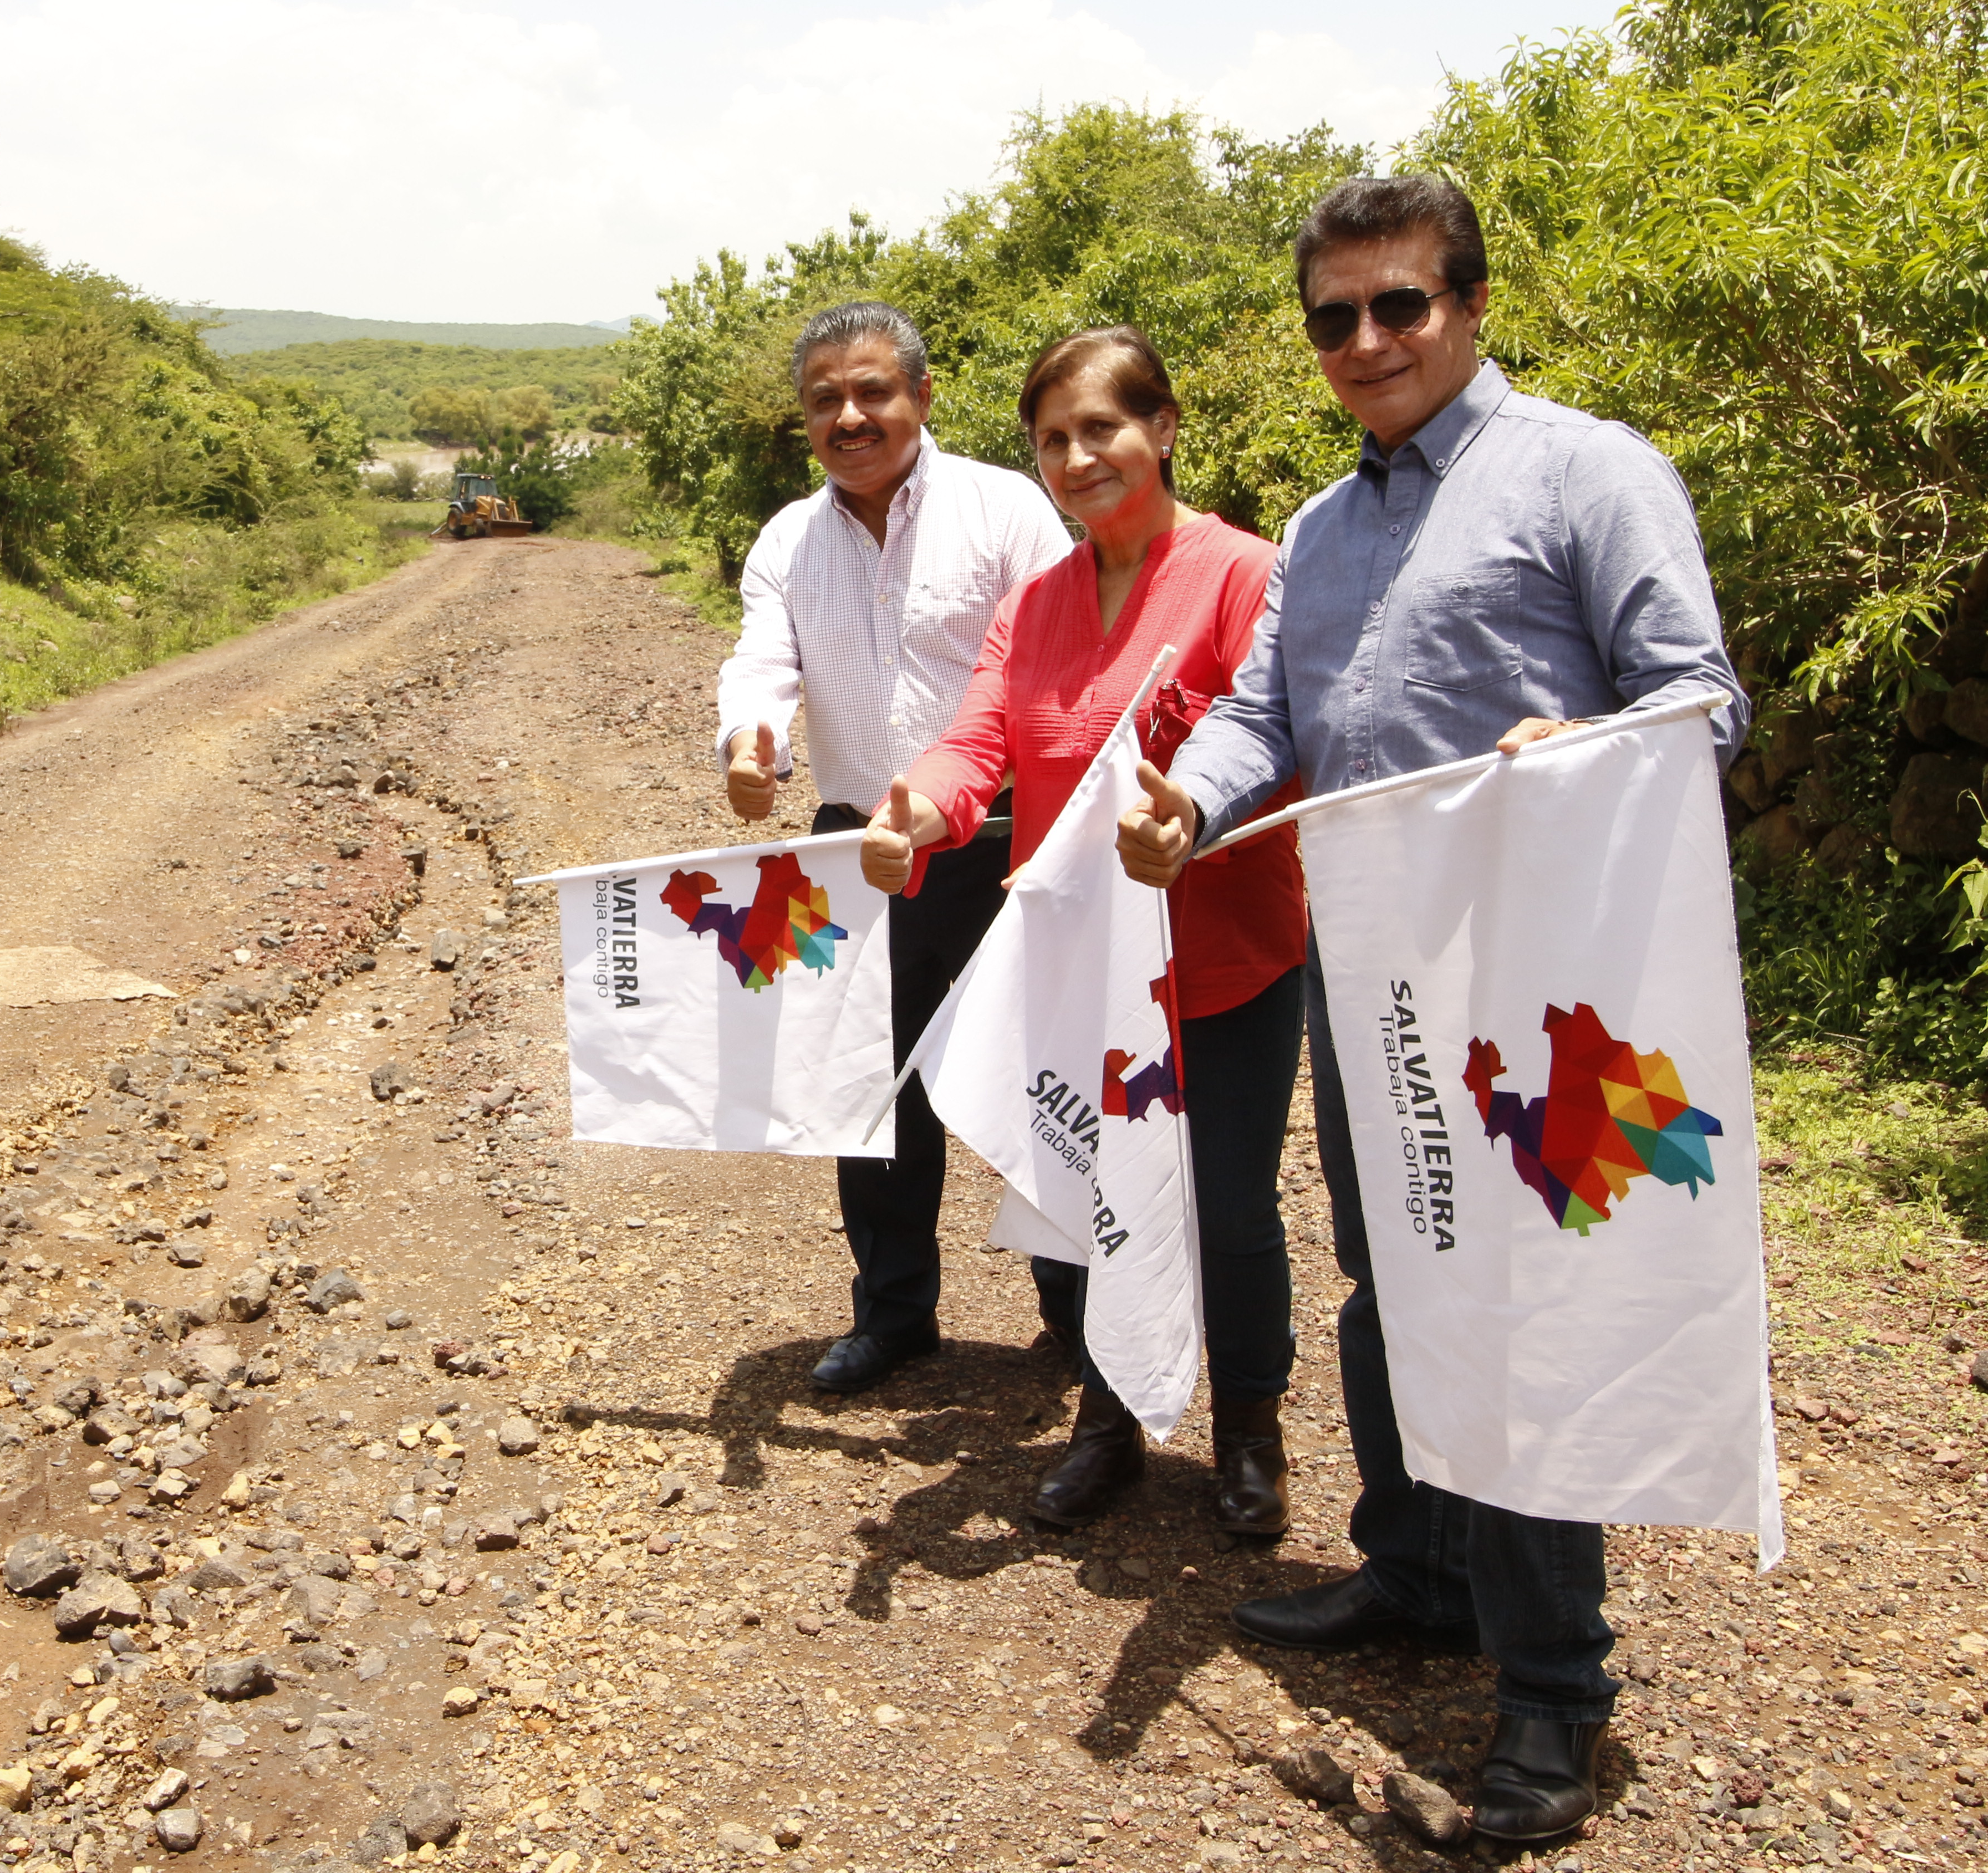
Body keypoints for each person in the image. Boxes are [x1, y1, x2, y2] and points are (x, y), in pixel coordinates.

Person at [1117, 175, 1749, 1843]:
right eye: (1335, 316)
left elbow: (1699, 699)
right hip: (1379, 965)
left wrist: (1585, 750)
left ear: (1468, 304)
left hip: (1547, 989)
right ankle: (1417, 1573)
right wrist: (1191, 800)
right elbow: (1265, 716)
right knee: (1389, 1269)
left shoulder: (1589, 472)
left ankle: (1554, 1692)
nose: (1368, 340)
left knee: (1519, 1304)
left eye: (1400, 303)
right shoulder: (1322, 529)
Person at [858, 326, 1308, 1536]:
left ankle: (1250, 1433)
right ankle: (1107, 1423)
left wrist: (1197, 816)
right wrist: (919, 811)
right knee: (1093, 1195)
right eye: (1052, 439)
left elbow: (1284, 743)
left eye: (1101, 428)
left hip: (1228, 959)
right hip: (1088, 969)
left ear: (1162, 428)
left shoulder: (1246, 575)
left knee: (1228, 1209)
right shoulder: (1039, 602)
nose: (1076, 458)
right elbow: (979, 742)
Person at [717, 299, 1073, 1394]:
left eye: (873, 391)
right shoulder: (788, 541)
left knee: (1043, 1077)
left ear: (920, 395)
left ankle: (1079, 1317)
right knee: (869, 1091)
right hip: (856, 840)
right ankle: (894, 1312)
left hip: (1007, 836)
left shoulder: (1005, 509)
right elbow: (763, 664)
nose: (850, 416)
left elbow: (1060, 657)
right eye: (824, 399)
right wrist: (752, 740)